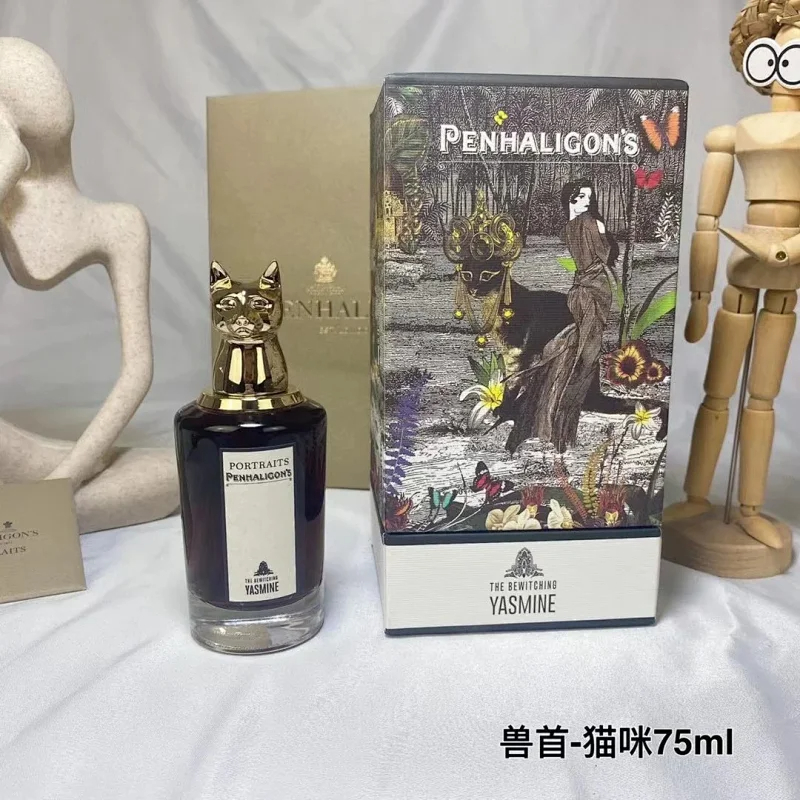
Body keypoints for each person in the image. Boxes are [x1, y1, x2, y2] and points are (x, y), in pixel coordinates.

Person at [501, 179, 618, 454]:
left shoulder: (586, 224)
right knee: (576, 351)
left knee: (582, 350)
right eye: (580, 197)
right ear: (570, 198)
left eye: (589, 197)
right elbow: (603, 254)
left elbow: (603, 255)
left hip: (593, 289)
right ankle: (551, 417)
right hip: (584, 289)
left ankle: (558, 416)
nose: (586, 202)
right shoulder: (576, 227)